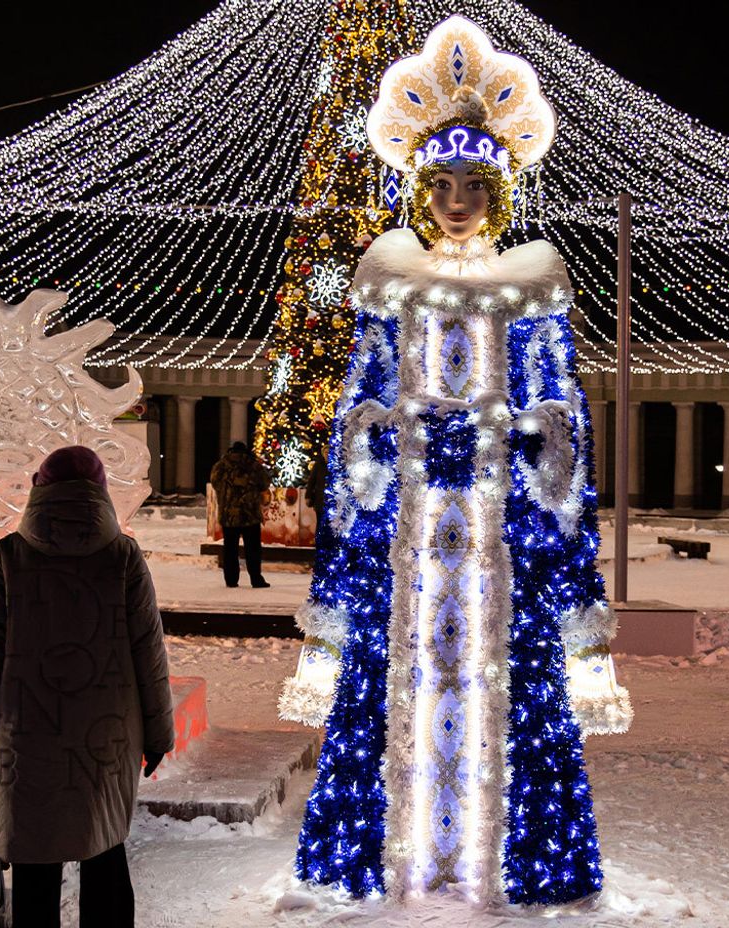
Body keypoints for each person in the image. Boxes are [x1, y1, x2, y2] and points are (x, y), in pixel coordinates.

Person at [278, 16, 632, 907]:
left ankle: (517, 868)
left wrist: (530, 458)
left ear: (501, 190)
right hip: (408, 542)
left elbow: (563, 431)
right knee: (384, 701)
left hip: (498, 545)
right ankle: (381, 865)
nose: (459, 198)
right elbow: (354, 420)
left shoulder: (533, 283)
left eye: (476, 181)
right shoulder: (389, 276)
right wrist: (375, 455)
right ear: (420, 189)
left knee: (515, 702)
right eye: (442, 180)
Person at [0, 445, 174, 928]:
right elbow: (149, 656)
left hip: (26, 741)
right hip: (105, 742)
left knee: (34, 874)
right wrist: (159, 734)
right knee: (105, 859)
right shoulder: (123, 556)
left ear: (41, 490)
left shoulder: (10, 556)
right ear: (100, 493)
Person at [209, 441, 271, 588]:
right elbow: (265, 483)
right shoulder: (253, 465)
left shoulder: (221, 466)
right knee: (253, 549)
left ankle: (231, 580)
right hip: (250, 514)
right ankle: (256, 579)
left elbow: (215, 483)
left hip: (228, 515)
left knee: (230, 549)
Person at [304, 444, 329, 529]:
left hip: (332, 501)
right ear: (323, 453)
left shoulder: (335, 465)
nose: (327, 454)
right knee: (320, 523)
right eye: (326, 452)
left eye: (329, 453)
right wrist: (308, 496)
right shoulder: (318, 465)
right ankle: (319, 541)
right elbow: (311, 481)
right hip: (320, 501)